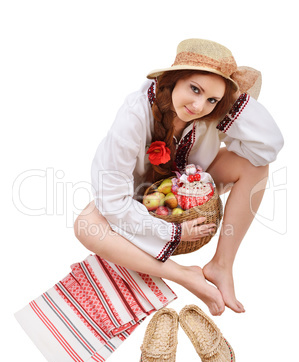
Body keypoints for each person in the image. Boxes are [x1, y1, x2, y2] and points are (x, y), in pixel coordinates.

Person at [74, 38, 283, 317]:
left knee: (255, 166)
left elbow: (268, 145)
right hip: (137, 199)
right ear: (174, 80)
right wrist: (174, 231)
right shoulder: (135, 114)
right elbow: (112, 202)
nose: (198, 106)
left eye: (211, 99)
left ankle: (221, 265)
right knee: (86, 225)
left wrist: (225, 101)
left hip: (189, 188)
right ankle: (185, 275)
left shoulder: (211, 113)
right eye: (194, 89)